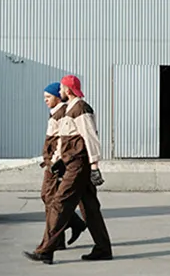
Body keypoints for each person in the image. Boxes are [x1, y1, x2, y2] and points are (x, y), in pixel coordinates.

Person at [24, 75, 112, 264]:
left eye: (62, 88)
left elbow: (90, 137)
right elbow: (64, 142)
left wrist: (95, 165)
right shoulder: (70, 110)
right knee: (90, 208)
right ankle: (103, 248)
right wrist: (56, 160)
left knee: (59, 203)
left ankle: (46, 250)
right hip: (72, 163)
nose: (61, 90)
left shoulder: (80, 108)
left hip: (78, 165)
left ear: (68, 90)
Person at [38, 82, 87, 251]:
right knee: (48, 197)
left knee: (52, 199)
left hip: (56, 162)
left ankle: (55, 240)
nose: (45, 100)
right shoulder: (55, 113)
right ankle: (69, 228)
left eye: (48, 97)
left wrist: (55, 160)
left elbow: (61, 140)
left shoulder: (62, 113)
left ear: (59, 96)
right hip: (52, 161)